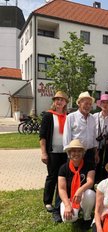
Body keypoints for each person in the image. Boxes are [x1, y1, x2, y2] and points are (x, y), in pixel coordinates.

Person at [39, 91, 69, 222]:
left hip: (65, 152)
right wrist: (44, 152)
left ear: (66, 103)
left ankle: (62, 200)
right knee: (52, 176)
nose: (59, 102)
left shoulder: (68, 116)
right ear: (54, 102)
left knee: (63, 178)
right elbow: (43, 136)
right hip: (52, 152)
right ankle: (47, 201)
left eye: (62, 100)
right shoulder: (48, 116)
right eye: (57, 100)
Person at [58, 139, 96, 228]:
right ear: (69, 153)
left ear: (83, 153)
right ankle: (75, 211)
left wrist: (80, 190)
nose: (76, 153)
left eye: (79, 151)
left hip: (84, 195)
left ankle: (87, 217)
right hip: (70, 197)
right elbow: (61, 188)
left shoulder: (89, 164)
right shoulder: (63, 168)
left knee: (90, 193)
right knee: (68, 218)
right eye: (74, 151)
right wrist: (67, 205)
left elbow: (90, 182)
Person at [63, 91, 99, 165]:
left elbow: (94, 137)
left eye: (90, 104)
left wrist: (96, 153)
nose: (88, 106)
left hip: (89, 152)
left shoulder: (92, 118)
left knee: (89, 174)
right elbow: (66, 137)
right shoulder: (71, 117)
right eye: (86, 103)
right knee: (75, 175)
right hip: (76, 153)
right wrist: (69, 156)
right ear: (79, 103)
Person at [94, 94, 108, 183]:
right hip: (96, 146)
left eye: (107, 102)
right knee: (95, 166)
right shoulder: (94, 117)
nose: (105, 105)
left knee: (107, 165)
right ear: (100, 104)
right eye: (103, 102)